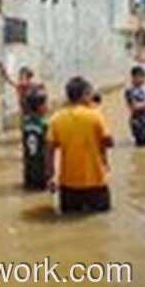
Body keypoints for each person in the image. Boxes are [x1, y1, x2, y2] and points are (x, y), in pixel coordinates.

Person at [47, 76, 114, 213]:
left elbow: (49, 151)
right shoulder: (95, 116)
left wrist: (51, 176)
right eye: (90, 94)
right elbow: (109, 142)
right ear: (84, 95)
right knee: (101, 226)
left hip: (68, 185)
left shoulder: (56, 119)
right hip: (96, 182)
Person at [21, 88, 51, 191]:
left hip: (29, 171)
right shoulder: (45, 125)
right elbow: (47, 150)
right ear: (40, 107)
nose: (48, 106)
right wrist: (50, 173)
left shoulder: (26, 122)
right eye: (46, 104)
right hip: (42, 172)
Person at [123, 66, 145, 147]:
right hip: (138, 123)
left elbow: (142, 105)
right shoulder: (130, 91)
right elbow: (133, 107)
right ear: (135, 77)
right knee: (141, 146)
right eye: (143, 77)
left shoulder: (140, 89)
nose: (144, 80)